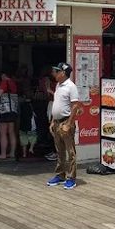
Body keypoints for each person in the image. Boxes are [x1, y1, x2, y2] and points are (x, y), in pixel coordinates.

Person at [46, 62, 82, 190]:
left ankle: (71, 178)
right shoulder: (58, 85)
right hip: (56, 122)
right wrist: (52, 121)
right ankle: (60, 175)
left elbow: (75, 106)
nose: (53, 73)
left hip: (66, 122)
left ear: (63, 73)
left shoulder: (71, 87)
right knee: (59, 151)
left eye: (56, 71)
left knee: (70, 152)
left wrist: (69, 124)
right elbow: (57, 104)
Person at [0, 71, 19, 159]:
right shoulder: (13, 83)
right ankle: (12, 153)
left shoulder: (4, 82)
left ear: (4, 75)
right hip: (12, 109)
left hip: (4, 110)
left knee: (3, 132)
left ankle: (3, 154)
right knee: (12, 132)